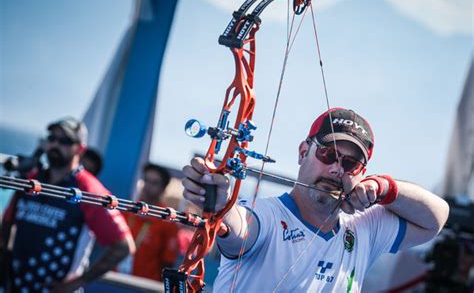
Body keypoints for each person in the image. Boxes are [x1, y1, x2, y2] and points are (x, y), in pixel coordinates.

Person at [182, 107, 450, 291]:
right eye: (327, 154)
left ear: (361, 173)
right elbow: (239, 227)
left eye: (350, 163)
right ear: (303, 152)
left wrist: (383, 188)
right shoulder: (264, 216)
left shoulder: (365, 226)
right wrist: (218, 203)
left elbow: (435, 219)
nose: (336, 168)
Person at [0, 117, 135, 292]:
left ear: (80, 148)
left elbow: (123, 246)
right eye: (51, 138)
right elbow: (7, 225)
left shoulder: (88, 190)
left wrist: (75, 284)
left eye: (64, 141)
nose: (55, 144)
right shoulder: (32, 180)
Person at [120, 163, 179, 282]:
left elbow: (168, 263)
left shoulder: (167, 220)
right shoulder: (128, 210)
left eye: (154, 183)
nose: (147, 186)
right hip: (116, 280)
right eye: (146, 180)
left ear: (163, 188)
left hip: (145, 285)